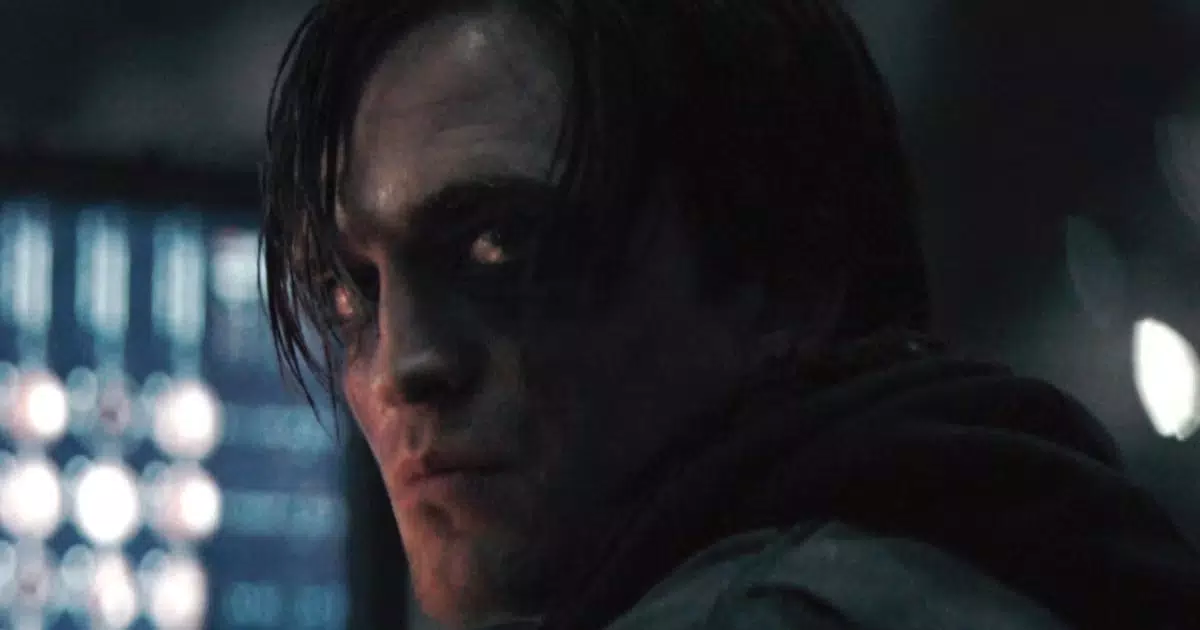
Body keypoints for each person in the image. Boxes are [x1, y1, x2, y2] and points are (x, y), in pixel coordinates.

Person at [259, 1, 1200, 628]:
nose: (403, 366)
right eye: (349, 290)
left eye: (498, 244)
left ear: (777, 272)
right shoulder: (990, 549)